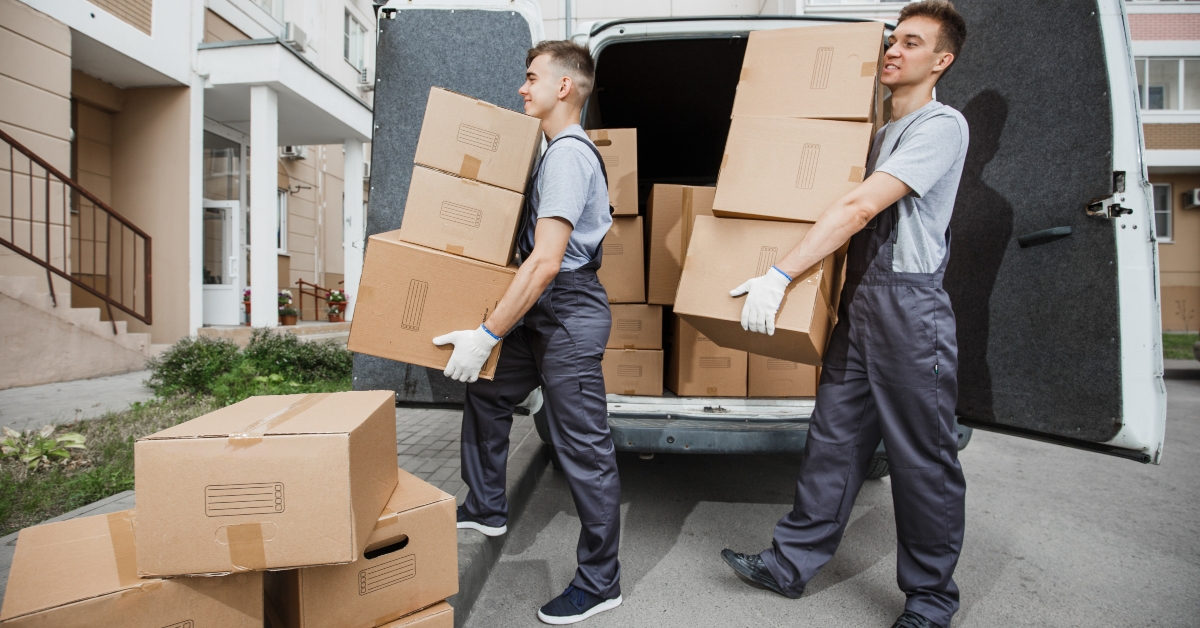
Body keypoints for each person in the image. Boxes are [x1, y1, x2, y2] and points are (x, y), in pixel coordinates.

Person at [719, 3, 970, 628]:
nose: (893, 50)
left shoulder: (942, 125)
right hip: (863, 302)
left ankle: (931, 601)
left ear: (942, 60)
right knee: (833, 440)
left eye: (912, 43)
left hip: (909, 306)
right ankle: (789, 565)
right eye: (892, 40)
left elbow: (860, 207)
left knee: (922, 456)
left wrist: (781, 274)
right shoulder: (877, 134)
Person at [431, 40, 622, 626]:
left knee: (582, 447)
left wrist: (488, 332)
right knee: (487, 393)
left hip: (564, 308)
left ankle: (600, 582)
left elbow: (544, 262)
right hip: (542, 306)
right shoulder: (548, 150)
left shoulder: (568, 154)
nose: (522, 87)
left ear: (564, 86)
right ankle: (487, 506)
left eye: (532, 77)